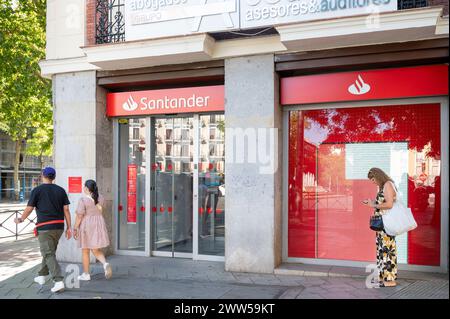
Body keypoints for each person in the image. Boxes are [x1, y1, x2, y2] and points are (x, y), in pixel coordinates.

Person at [14, 167, 72, 293]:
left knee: (48, 253)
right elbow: (66, 210)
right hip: (59, 227)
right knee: (49, 251)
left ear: (42, 176)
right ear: (54, 177)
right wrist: (69, 227)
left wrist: (21, 219)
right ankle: (42, 275)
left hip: (45, 228)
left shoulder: (37, 190)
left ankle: (58, 281)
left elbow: (29, 208)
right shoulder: (61, 190)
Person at [363, 167, 398, 287]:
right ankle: (384, 278)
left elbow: (389, 204)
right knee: (382, 251)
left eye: (373, 179)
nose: (373, 182)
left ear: (378, 176)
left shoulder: (388, 184)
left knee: (388, 252)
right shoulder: (384, 186)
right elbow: (384, 203)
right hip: (382, 225)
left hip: (386, 225)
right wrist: (373, 203)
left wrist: (373, 204)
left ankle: (390, 280)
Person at [73, 179, 112, 281]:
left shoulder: (83, 200)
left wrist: (75, 228)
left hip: (87, 225)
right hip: (98, 224)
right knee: (95, 249)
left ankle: (86, 274)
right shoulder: (101, 197)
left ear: (86, 188)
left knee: (85, 250)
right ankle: (105, 263)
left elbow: (79, 216)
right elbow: (101, 209)